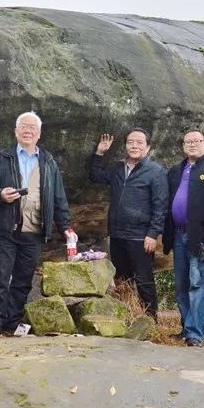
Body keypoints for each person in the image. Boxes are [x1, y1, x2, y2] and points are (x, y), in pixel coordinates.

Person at [0, 111, 74, 335]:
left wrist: (65, 227)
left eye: (32, 127)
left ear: (39, 134)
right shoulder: (1, 158)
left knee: (23, 279)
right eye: (23, 126)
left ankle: (11, 321)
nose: (27, 130)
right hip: (5, 227)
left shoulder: (48, 161)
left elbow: (58, 196)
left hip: (34, 230)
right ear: (15, 132)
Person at [89, 128, 167, 317]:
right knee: (122, 279)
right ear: (125, 145)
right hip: (117, 234)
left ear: (147, 148)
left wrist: (152, 234)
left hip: (140, 236)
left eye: (140, 142)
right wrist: (99, 153)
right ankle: (126, 316)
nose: (134, 146)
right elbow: (96, 176)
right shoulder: (118, 168)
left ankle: (150, 320)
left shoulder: (155, 172)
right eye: (131, 142)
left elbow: (161, 206)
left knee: (144, 279)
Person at [162, 129, 204, 347]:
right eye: (188, 141)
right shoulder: (175, 170)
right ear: (182, 145)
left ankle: (195, 334)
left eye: (197, 141)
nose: (192, 145)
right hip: (179, 235)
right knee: (182, 284)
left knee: (200, 284)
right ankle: (186, 328)